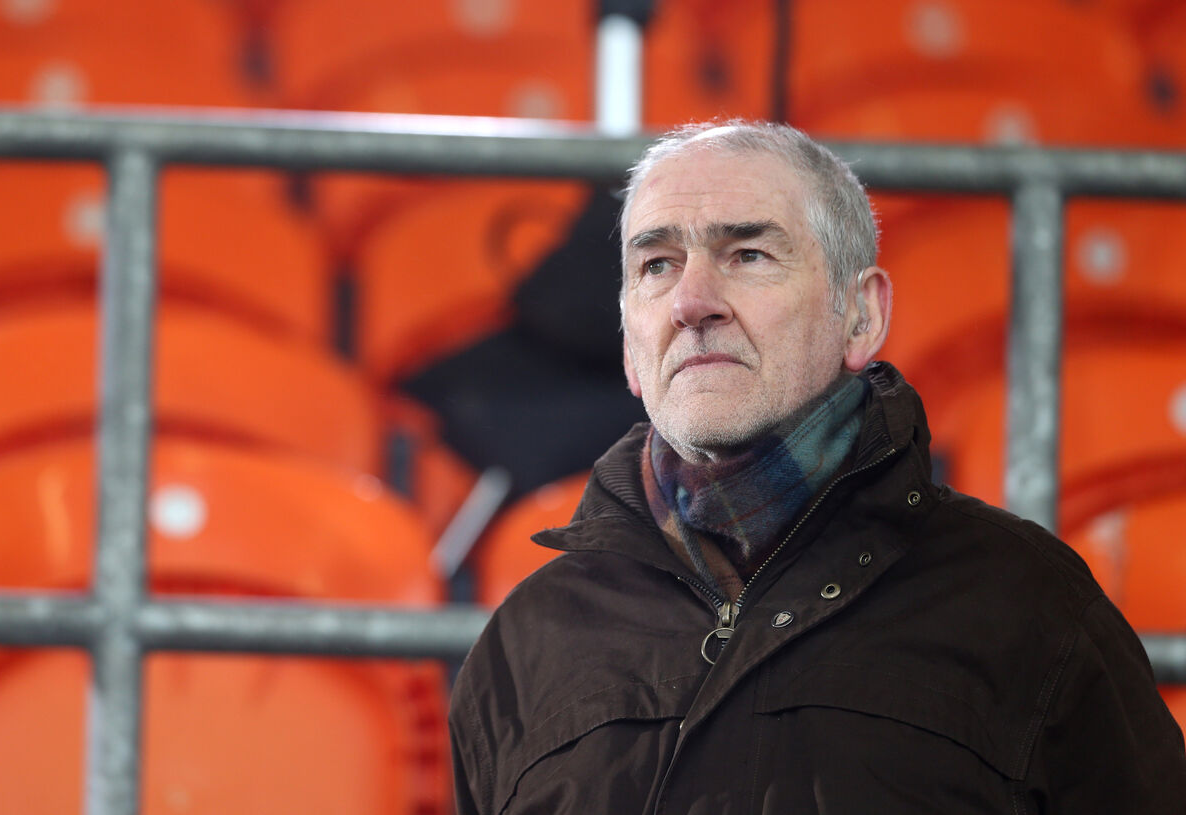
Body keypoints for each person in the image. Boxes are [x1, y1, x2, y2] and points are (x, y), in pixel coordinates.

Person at [448, 120, 1186, 814]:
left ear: (861, 314)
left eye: (748, 255)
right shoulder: (523, 641)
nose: (692, 301)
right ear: (628, 351)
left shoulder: (1030, 608)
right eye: (657, 264)